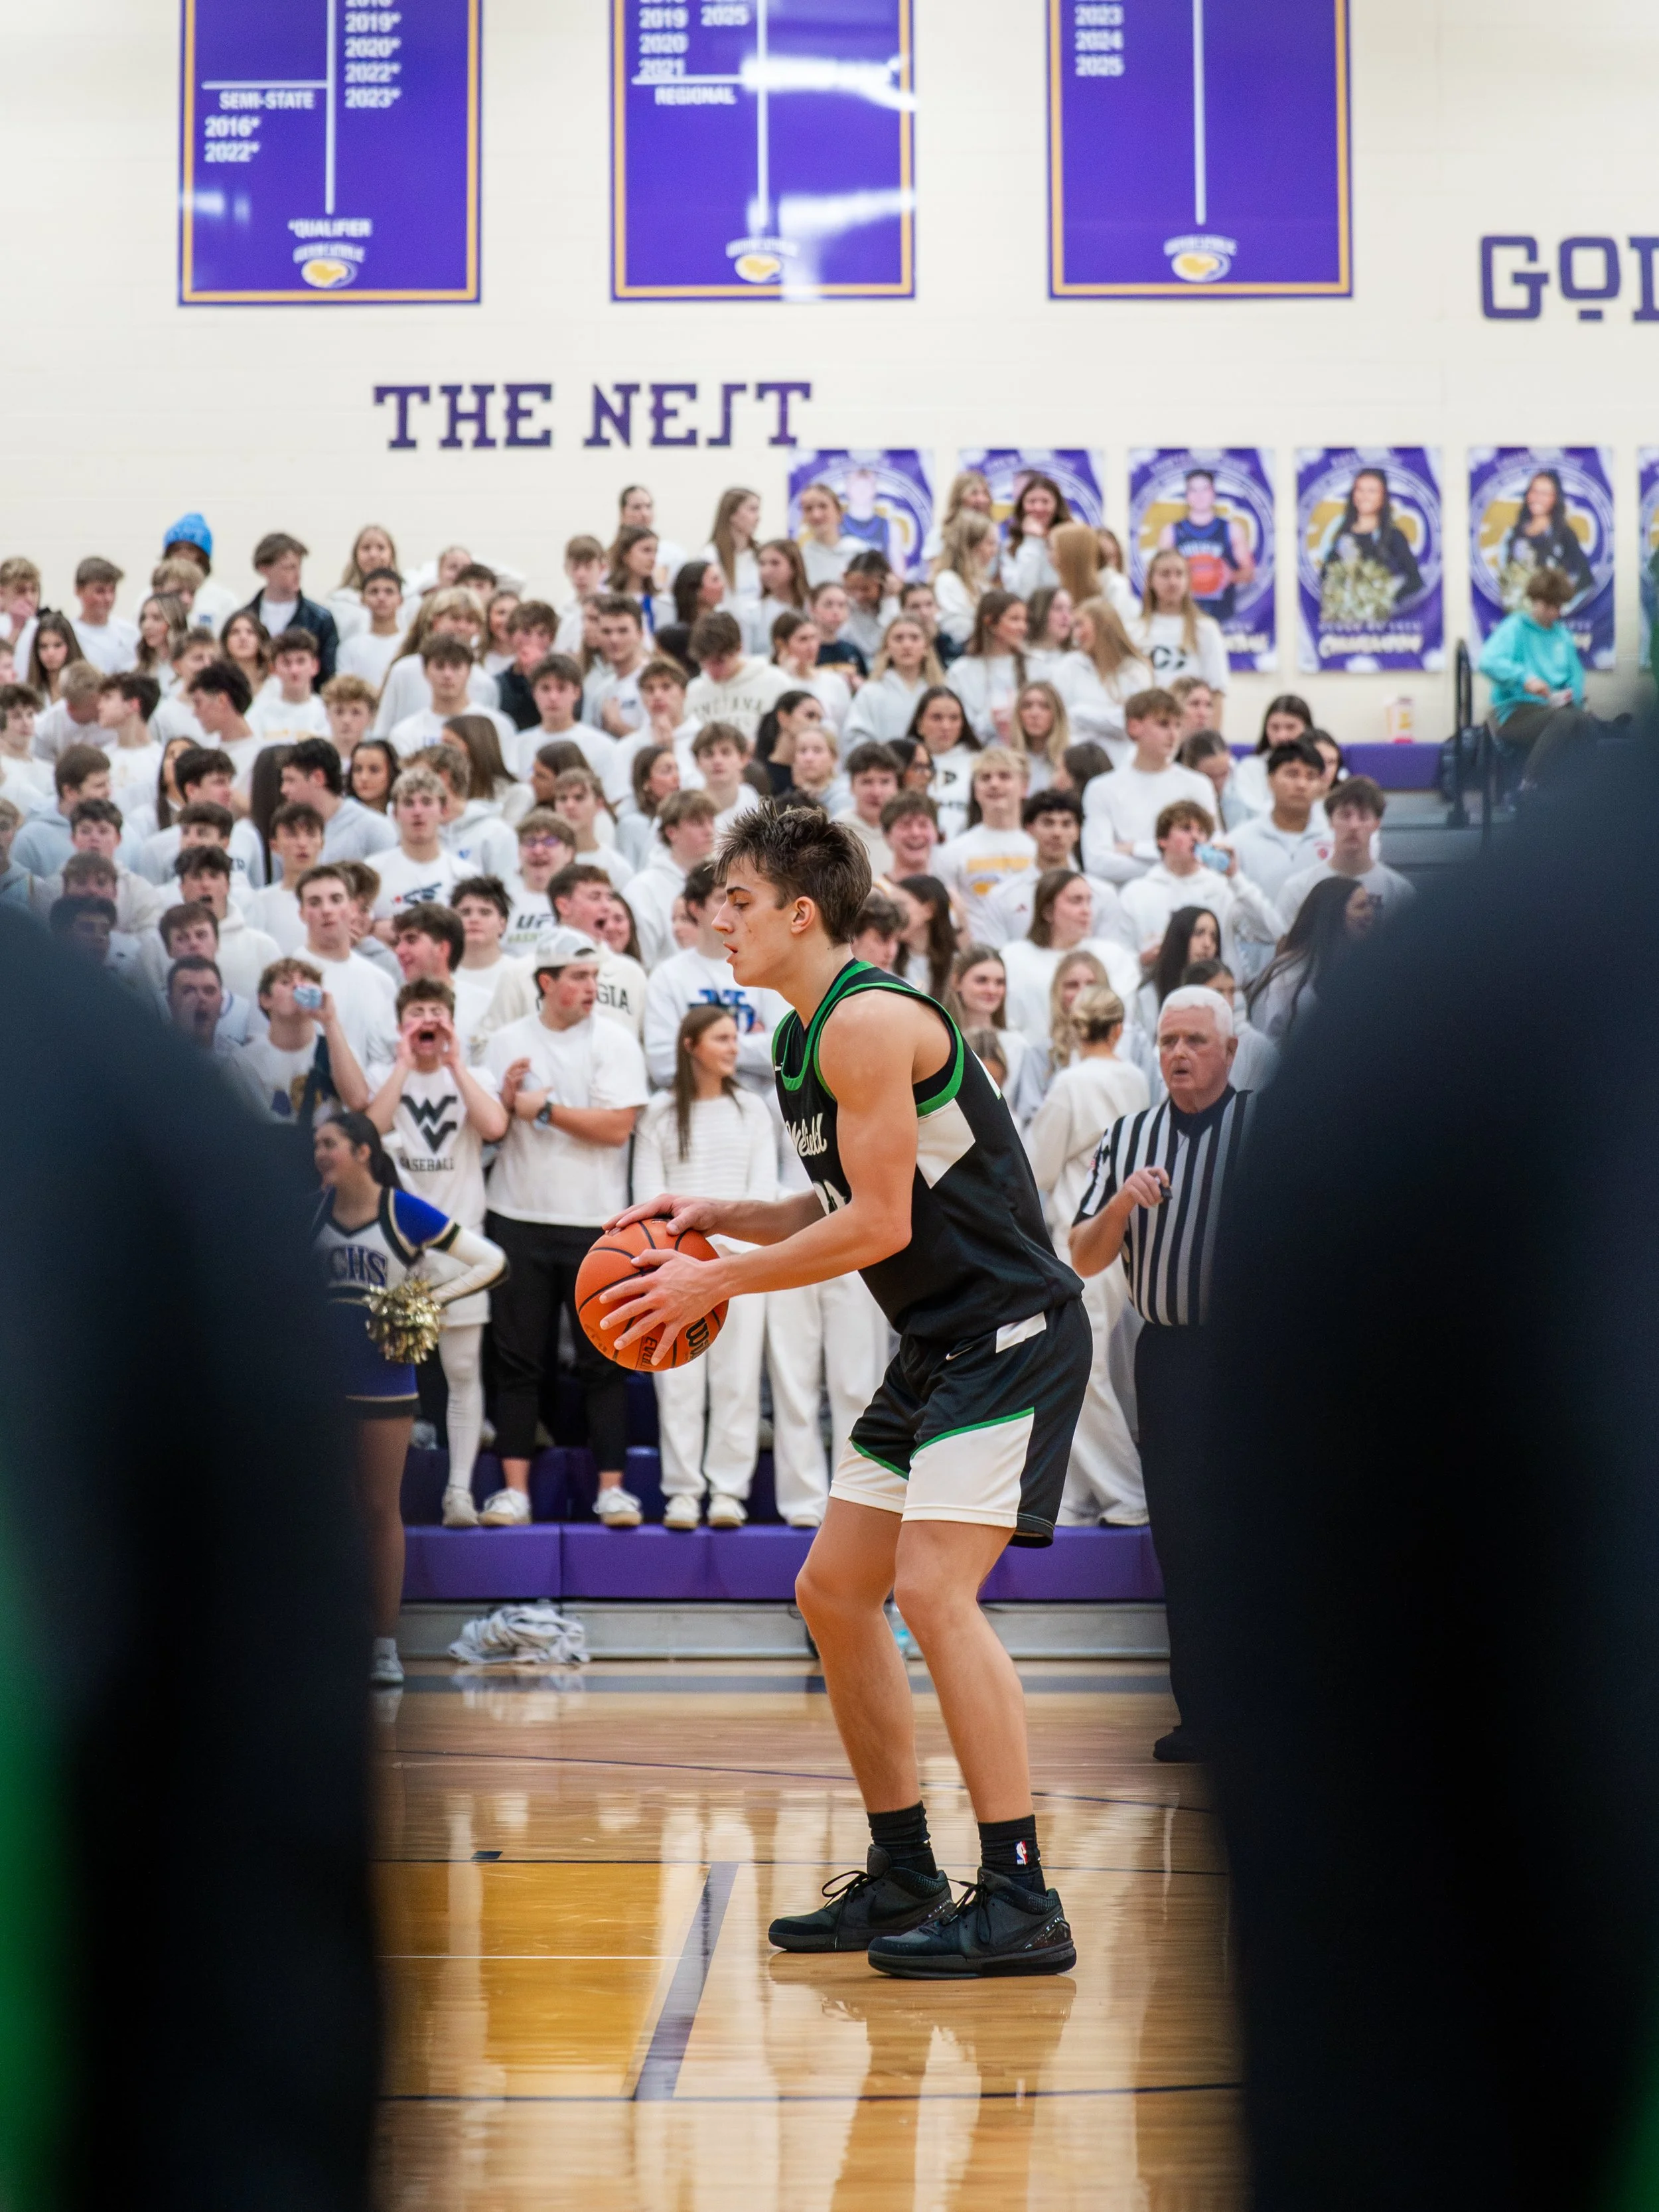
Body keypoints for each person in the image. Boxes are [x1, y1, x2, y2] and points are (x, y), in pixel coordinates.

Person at [601, 806, 1088, 1977]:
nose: (719, 921)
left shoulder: (869, 1021)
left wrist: (710, 1277)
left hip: (1008, 1333)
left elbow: (883, 1221)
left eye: (739, 902)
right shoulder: (795, 1039)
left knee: (930, 1588)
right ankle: (906, 1866)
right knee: (833, 1590)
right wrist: (725, 1214)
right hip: (935, 1345)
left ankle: (1022, 1893)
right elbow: (847, 1199)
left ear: (799, 912)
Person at [1069, 986, 1254, 1759]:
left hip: (1250, 1360)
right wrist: (1120, 1206)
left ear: (1230, 1051)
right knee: (1181, 1539)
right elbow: (1081, 1255)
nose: (1179, 1054)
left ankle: (1265, 1714)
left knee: (1252, 1537)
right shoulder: (1131, 1137)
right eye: (1169, 1040)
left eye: (1196, 1041)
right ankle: (1202, 1719)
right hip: (1171, 1355)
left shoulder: (1265, 1128)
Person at [312, 1112, 504, 1684]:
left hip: (384, 1379)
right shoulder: (310, 1211)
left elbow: (492, 1260)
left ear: (363, 1150)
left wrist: (428, 1302)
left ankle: (383, 1643)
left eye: (330, 1144)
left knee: (378, 1508)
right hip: (323, 1383)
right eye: (317, 1144)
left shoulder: (402, 1211)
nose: (319, 1153)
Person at [482, 928, 649, 1529]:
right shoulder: (505, 1042)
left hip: (594, 1220)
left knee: (604, 1360)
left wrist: (544, 1110)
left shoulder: (615, 1039)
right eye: (577, 977)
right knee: (518, 1361)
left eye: (593, 977)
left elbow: (616, 1127)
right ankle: (514, 1493)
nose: (590, 988)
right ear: (546, 982)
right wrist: (505, 1100)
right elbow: (489, 1127)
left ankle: (612, 1490)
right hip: (517, 1216)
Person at [364, 977, 509, 1530]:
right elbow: (370, 1130)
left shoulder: (475, 1076)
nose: (428, 1019)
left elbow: (495, 1124)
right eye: (417, 1012)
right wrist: (405, 1061)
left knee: (464, 1367)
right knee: (388, 1371)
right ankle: (383, 1503)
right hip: (398, 1244)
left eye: (437, 1011)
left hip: (462, 1239)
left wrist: (453, 1062)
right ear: (401, 1022)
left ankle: (460, 1493)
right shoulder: (385, 1075)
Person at [632, 1008, 776, 1529]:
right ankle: (683, 1494)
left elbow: (762, 1197)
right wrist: (686, 1256)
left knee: (738, 1380)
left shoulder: (752, 1109)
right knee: (678, 1380)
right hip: (674, 1264)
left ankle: (728, 1494)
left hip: (743, 1263)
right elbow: (648, 1200)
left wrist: (728, 1257)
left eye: (736, 1038)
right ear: (690, 1044)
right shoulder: (659, 1113)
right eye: (722, 1038)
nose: (734, 1047)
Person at [1025, 986, 1149, 1526]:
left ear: (1077, 1030)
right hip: (1123, 1241)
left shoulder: (1071, 1084)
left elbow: (1036, 1168)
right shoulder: (1138, 1079)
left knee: (1083, 1371)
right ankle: (1074, 1498)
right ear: (1119, 1029)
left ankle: (1128, 1492)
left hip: (1079, 1242)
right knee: (1087, 1369)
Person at [643, 859, 788, 1091]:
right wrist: (747, 1046)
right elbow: (663, 1064)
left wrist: (701, 1048)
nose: (732, 912)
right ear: (695, 908)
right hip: (690, 1104)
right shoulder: (668, 976)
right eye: (722, 900)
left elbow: (784, 1049)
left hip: (757, 1104)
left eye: (739, 902)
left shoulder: (766, 966)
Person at [1120, 799, 1285, 983]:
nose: (1196, 837)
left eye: (1201, 831)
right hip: (1161, 994)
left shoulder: (1222, 887)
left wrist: (1235, 877)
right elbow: (1121, 960)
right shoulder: (1136, 893)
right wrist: (1143, 960)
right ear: (1163, 840)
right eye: (1186, 829)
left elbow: (1270, 932)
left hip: (1223, 994)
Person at [1079, 687, 1216, 881]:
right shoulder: (1102, 789)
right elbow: (1097, 863)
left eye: (1177, 725)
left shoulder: (1199, 785)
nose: (1173, 734)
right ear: (1135, 727)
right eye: (1163, 724)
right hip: (1128, 901)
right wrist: (1176, 861)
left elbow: (1214, 854)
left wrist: (1135, 849)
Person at [1248, 873, 1377, 1043]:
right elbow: (1262, 1041)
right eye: (1361, 906)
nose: (1370, 914)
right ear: (1333, 914)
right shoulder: (1285, 976)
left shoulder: (1366, 969)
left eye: (1370, 905)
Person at [1477, 566, 1585, 752]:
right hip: (1516, 712)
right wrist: (1525, 679)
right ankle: (1529, 782)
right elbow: (1488, 661)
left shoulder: (1562, 636)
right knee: (1565, 719)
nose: (1557, 613)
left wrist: (1569, 695)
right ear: (1538, 602)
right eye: (1553, 607)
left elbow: (1575, 677)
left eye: (1559, 607)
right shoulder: (1515, 628)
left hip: (1554, 710)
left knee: (1585, 723)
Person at [1279, 775, 1414, 922]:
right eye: (1345, 815)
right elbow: (1284, 944)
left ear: (1376, 824)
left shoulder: (1400, 893)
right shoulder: (1298, 888)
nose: (1354, 825)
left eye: (1363, 817)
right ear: (1331, 821)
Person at [932, 746, 1037, 930]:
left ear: (1024, 787)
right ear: (975, 789)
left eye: (1004, 776)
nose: (994, 784)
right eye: (985, 778)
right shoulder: (954, 851)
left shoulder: (1040, 848)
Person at [1225, 738, 1333, 907]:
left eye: (1311, 776)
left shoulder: (1333, 841)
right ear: (1270, 781)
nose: (1301, 784)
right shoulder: (1239, 842)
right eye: (1292, 774)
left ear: (1321, 785)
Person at [1319, 467, 1423, 626]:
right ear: (1353, 496)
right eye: (1359, 490)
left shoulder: (1394, 537)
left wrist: (1382, 598)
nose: (1364, 497)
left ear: (1383, 498)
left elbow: (1415, 580)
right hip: (1348, 631)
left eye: (1372, 491)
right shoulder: (1343, 537)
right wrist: (1344, 599)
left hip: (1386, 630)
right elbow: (1325, 578)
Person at [1134, 549, 1230, 713]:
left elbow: (1217, 690)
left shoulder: (1206, 629)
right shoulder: (1134, 630)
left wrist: (1212, 737)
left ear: (1188, 581)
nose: (1173, 582)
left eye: (1179, 574)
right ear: (1150, 581)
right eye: (1165, 574)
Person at [1157, 467, 1254, 623]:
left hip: (1222, 616)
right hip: (1182, 617)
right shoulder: (1171, 531)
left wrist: (1231, 576)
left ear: (1213, 493)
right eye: (1193, 490)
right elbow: (1157, 577)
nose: (1199, 496)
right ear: (1187, 495)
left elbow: (1249, 573)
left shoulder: (1232, 530)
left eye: (1204, 489)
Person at [241, 532, 338, 682]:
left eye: (299, 567)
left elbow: (328, 675)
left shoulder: (320, 619)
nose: (297, 574)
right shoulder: (245, 618)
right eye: (289, 568)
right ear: (264, 569)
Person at [684, 612, 792, 739]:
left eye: (719, 661)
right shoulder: (694, 691)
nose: (711, 670)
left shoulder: (776, 682)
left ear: (739, 649)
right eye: (704, 662)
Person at [1499, 467, 1595, 607]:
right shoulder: (1514, 534)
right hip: (1519, 615)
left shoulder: (1564, 535)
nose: (1538, 498)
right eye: (1535, 492)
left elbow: (1584, 579)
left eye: (1545, 494)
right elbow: (1505, 575)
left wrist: (1560, 607)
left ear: (1555, 498)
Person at [945, 591, 1028, 744]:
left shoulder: (1035, 666)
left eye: (1024, 620)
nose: (1023, 627)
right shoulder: (961, 672)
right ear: (990, 623)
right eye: (1015, 619)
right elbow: (958, 724)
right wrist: (992, 720)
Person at [904, 684, 979, 840]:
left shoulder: (979, 764)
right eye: (937, 718)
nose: (946, 726)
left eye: (954, 718)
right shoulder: (902, 760)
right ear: (919, 724)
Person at [930, 512, 1002, 648]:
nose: (995, 551)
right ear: (972, 546)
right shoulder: (947, 581)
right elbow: (957, 629)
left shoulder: (982, 583)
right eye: (991, 543)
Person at [248, 628, 330, 748]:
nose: (294, 670)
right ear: (273, 669)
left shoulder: (327, 712)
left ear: (315, 666)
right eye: (286, 663)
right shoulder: (258, 713)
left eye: (301, 661)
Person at [334, 564, 408, 691]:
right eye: (374, 591)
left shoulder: (410, 645)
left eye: (389, 592)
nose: (381, 598)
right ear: (363, 599)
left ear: (400, 600)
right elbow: (346, 691)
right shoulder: (350, 648)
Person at [68, 556, 139, 674]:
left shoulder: (129, 632)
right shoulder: (70, 633)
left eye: (112, 591)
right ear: (79, 591)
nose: (108, 598)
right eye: (100, 591)